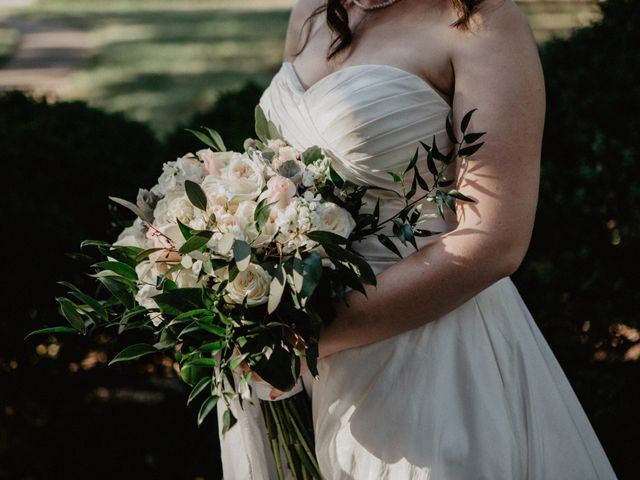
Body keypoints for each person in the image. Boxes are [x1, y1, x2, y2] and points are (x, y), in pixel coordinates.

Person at [217, 0, 619, 478]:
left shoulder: (479, 19)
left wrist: (303, 339)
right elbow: (277, 180)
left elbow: (494, 241)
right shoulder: (312, 12)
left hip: (435, 351)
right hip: (317, 374)